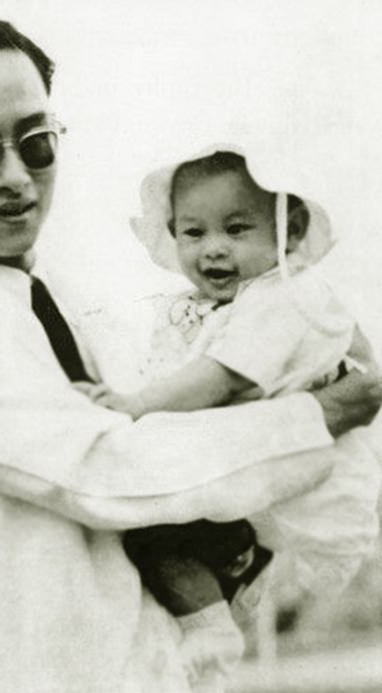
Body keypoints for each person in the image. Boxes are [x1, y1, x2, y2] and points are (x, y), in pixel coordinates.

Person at [0, 11, 381, 693]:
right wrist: (324, 412)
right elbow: (107, 468)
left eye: (36, 143)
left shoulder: (62, 296)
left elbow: (181, 417)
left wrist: (308, 345)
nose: (14, 176)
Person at [79, 149, 380, 628]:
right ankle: (221, 597)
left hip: (312, 489)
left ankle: (212, 619)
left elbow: (223, 376)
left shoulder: (285, 295)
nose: (213, 248)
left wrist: (136, 405)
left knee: (156, 521)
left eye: (236, 229)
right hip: (261, 474)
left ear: (291, 231)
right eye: (194, 232)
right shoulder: (215, 305)